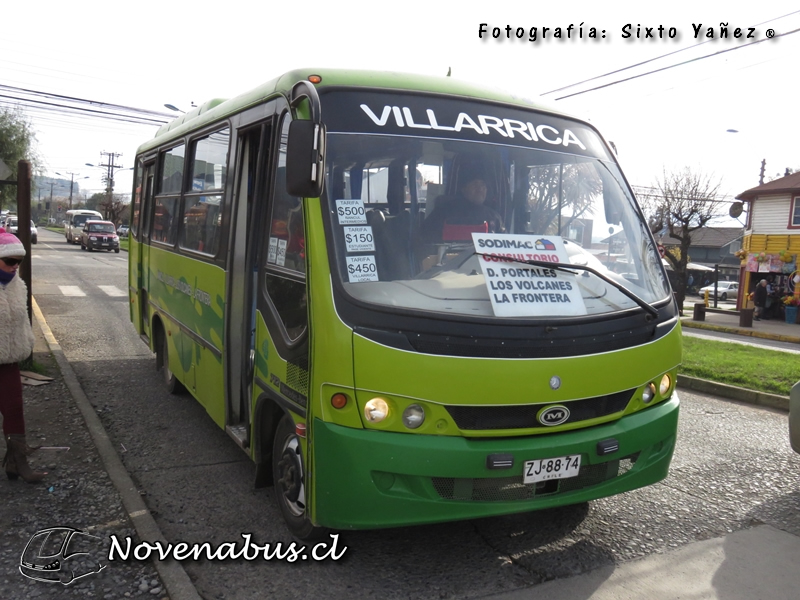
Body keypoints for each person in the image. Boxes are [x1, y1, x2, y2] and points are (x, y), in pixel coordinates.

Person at [0, 228, 45, 483]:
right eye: (10, 261)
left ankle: (18, 464)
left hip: (8, 360)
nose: (15, 266)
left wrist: (26, 344)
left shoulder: (18, 286)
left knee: (15, 409)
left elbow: (22, 322)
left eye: (19, 261)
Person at [421, 175, 503, 242]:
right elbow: (425, 240)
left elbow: (505, 246)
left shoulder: (493, 216)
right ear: (463, 189)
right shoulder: (444, 212)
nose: (480, 189)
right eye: (475, 184)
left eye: (483, 185)